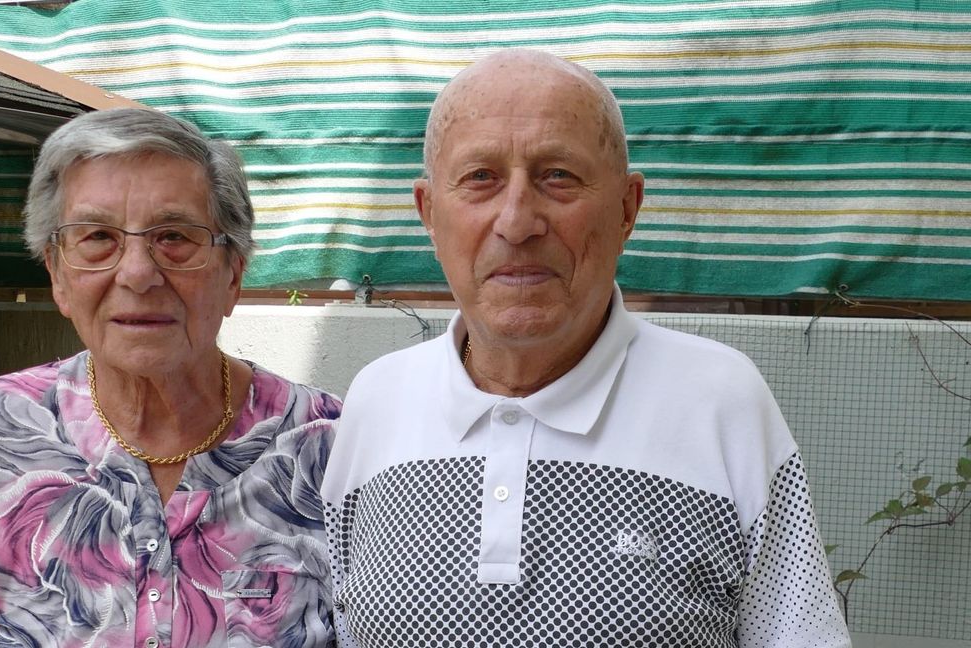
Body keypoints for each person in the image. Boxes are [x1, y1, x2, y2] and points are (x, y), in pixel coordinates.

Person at [321, 50, 850, 647]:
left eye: (558, 177)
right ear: (429, 213)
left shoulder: (721, 402)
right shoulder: (377, 401)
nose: (518, 221)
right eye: (480, 179)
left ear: (627, 208)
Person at [0, 109, 340, 648]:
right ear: (58, 274)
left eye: (174, 237)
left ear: (233, 272)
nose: (137, 273)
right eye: (97, 237)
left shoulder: (328, 445)